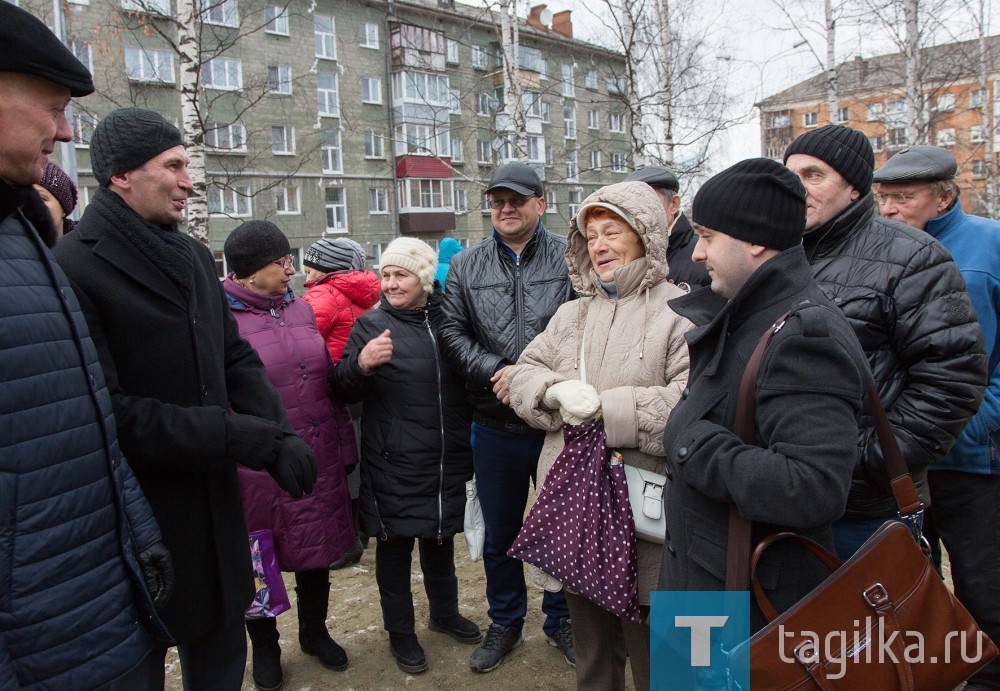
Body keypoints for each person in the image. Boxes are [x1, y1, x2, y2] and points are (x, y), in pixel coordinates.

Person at [53, 107, 318, 690]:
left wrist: (277, 437)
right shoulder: (74, 265)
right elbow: (111, 413)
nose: (188, 180)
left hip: (216, 510)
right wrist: (240, 437)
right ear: (121, 175)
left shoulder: (195, 254)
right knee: (139, 666)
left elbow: (234, 358)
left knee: (222, 655)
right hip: (139, 519)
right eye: (172, 166)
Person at [0, 4, 174, 688]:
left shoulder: (20, 231)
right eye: (52, 105)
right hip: (35, 640)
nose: (65, 128)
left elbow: (81, 414)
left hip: (96, 604)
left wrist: (135, 529)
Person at [658, 159, 871, 674]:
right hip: (706, 578)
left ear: (754, 240)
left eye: (707, 235)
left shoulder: (803, 335)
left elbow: (813, 486)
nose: (697, 251)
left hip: (743, 601)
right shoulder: (749, 313)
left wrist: (691, 444)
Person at [508, 181, 692, 691]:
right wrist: (553, 392)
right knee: (591, 648)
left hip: (646, 507)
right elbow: (524, 372)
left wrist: (608, 409)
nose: (601, 245)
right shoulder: (573, 314)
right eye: (591, 237)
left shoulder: (679, 311)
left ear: (646, 237)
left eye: (613, 232)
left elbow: (691, 400)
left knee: (653, 648)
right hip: (579, 507)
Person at [782, 124, 986, 559]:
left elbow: (953, 381)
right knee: (795, 629)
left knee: (876, 628)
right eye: (791, 174)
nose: (797, 188)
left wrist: (867, 459)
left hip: (868, 512)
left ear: (854, 188)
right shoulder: (780, 256)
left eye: (813, 175)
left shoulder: (912, 255)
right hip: (787, 502)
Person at [439, 161, 576, 673]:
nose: (505, 208)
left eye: (516, 199)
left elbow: (586, 326)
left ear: (541, 203)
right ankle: (506, 620)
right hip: (493, 424)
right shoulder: (468, 266)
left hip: (557, 423)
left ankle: (561, 619)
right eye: (497, 200)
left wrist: (534, 380)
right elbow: (451, 335)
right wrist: (498, 368)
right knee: (501, 533)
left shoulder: (571, 256)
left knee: (564, 530)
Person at [873, 145, 1000, 691]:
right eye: (885, 199)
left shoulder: (989, 246)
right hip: (904, 461)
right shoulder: (883, 254)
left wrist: (970, 427)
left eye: (905, 197)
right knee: (907, 591)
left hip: (973, 461)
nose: (892, 209)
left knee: (983, 589)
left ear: (945, 195)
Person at [330, 237, 481, 675]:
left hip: (445, 457)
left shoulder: (448, 321)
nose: (391, 283)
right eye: (387, 275)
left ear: (424, 279)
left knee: (439, 540)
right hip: (394, 460)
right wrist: (361, 364)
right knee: (394, 551)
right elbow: (339, 387)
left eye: (401, 275)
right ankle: (401, 633)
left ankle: (444, 612)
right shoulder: (372, 325)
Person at [223, 221, 355, 691]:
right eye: (280, 262)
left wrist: (343, 444)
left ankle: (315, 633)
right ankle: (265, 647)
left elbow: (323, 382)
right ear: (247, 271)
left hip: (312, 452)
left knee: (314, 549)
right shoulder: (221, 318)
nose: (292, 270)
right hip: (255, 466)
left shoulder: (299, 309)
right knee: (259, 558)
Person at [302, 236, 380, 569]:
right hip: (359, 386)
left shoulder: (323, 296)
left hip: (330, 389)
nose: (305, 275)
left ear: (326, 268)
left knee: (339, 467)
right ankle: (360, 532)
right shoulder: (362, 294)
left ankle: (347, 541)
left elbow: (300, 340)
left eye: (311, 266)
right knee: (358, 463)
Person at [624, 165, 709, 290]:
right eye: (630, 204)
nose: (637, 210)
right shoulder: (624, 257)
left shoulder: (702, 256)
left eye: (647, 201)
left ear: (673, 204)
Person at [34, 160, 77, 237]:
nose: (32, 205)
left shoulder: (88, 245)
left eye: (42, 198)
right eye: (25, 199)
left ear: (63, 209)